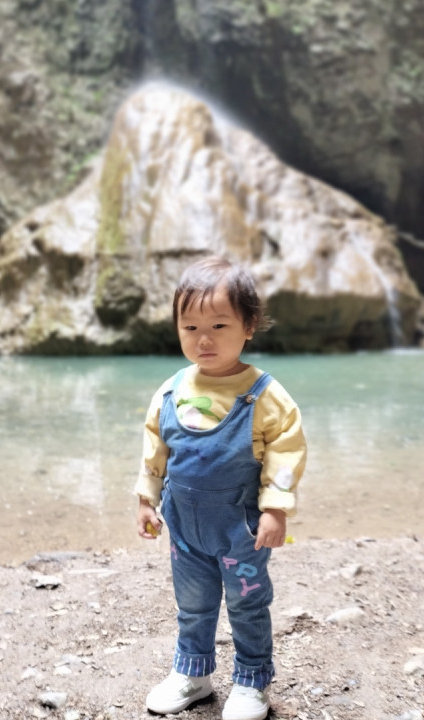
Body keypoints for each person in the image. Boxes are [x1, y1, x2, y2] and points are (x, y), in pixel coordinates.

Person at [135, 256, 307, 720]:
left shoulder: (265, 395)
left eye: (218, 325)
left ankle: (252, 680)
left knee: (248, 604)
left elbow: (286, 451)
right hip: (184, 527)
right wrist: (146, 499)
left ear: (248, 326)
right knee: (193, 604)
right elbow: (155, 446)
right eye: (190, 327)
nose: (203, 339)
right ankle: (192, 673)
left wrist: (275, 508)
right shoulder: (171, 390)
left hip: (240, 529)